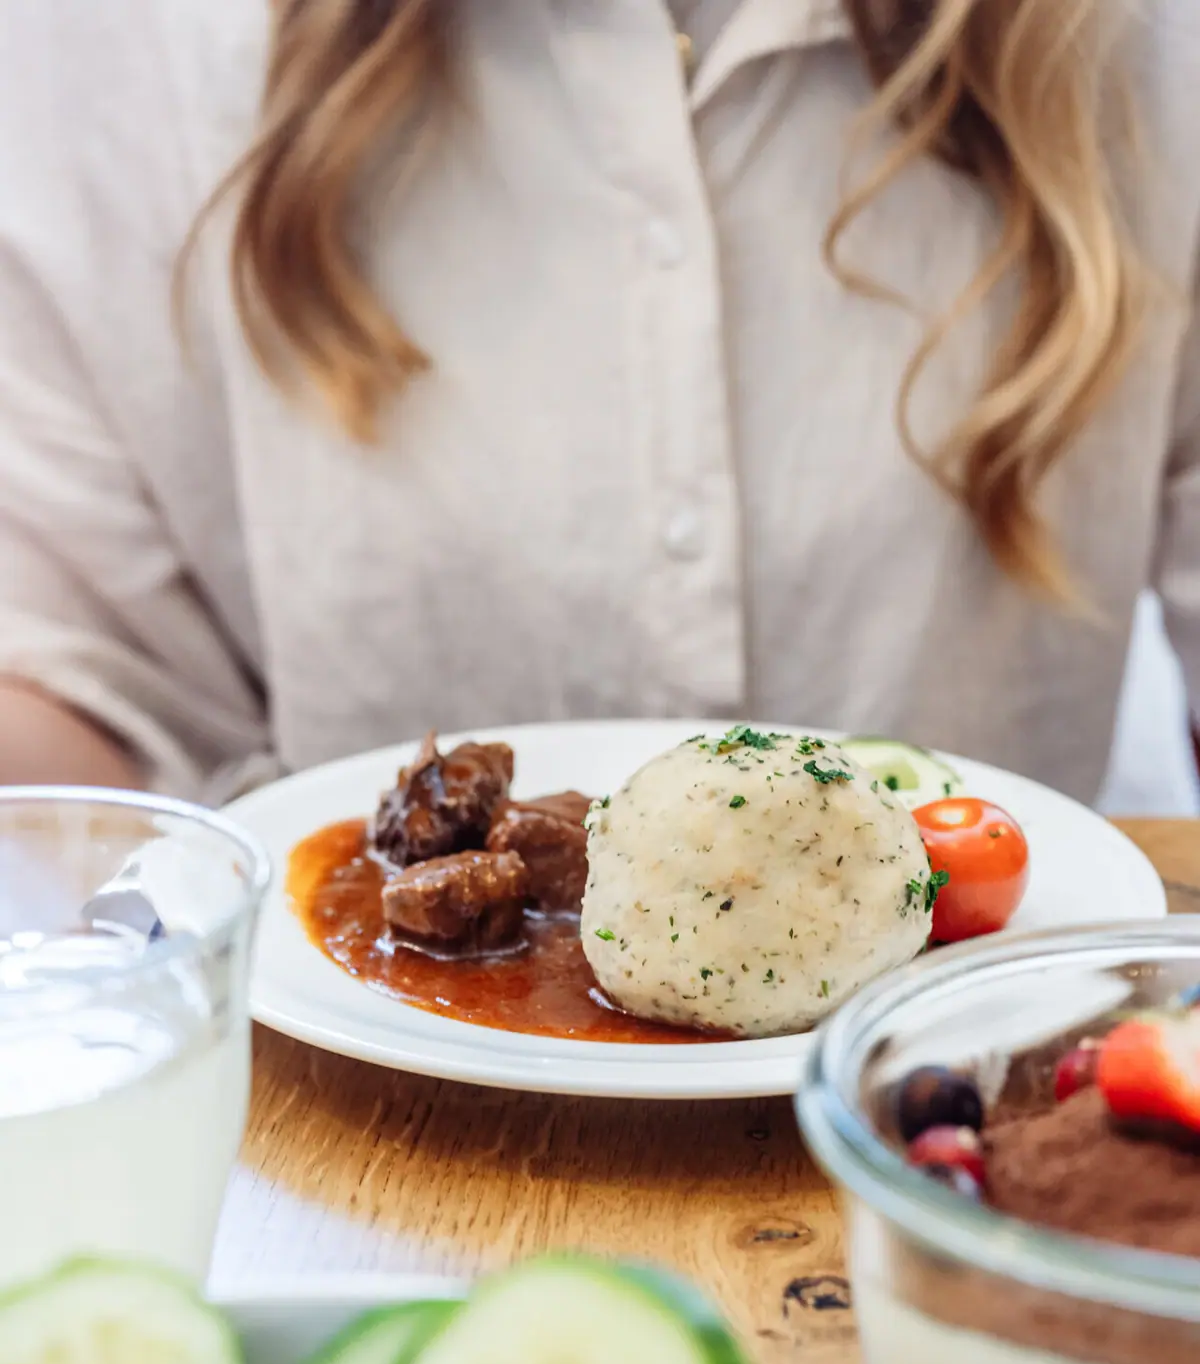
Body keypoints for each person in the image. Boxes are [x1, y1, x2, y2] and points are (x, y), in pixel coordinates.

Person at [0, 0, 1197, 805]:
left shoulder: (1150, 50)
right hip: (348, 1137)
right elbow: (84, 729)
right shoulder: (114, 52)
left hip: (986, 1126)